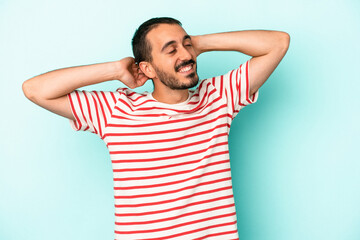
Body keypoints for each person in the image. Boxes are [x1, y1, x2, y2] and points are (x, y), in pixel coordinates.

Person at [23, 17, 290, 240]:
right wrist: (115, 70)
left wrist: (198, 43)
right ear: (147, 68)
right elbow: (35, 90)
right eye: (171, 49)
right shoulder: (116, 110)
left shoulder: (217, 98)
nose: (186, 55)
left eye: (186, 46)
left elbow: (278, 43)